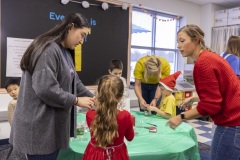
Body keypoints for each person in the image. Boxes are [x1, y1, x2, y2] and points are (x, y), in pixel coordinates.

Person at [9, 13, 95, 160]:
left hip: (50, 129)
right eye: (81, 35)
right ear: (71, 27)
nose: (82, 41)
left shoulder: (65, 52)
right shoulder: (49, 49)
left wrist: (95, 98)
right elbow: (45, 88)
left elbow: (75, 81)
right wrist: (76, 100)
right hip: (38, 130)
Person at [167, 24, 240, 160]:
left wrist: (180, 117)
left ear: (196, 40)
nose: (178, 45)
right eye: (177, 42)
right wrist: (195, 99)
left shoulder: (203, 63)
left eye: (182, 41)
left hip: (232, 124)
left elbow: (211, 106)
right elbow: (220, 93)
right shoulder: (210, 57)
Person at [82, 75, 134, 160]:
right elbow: (130, 137)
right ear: (121, 98)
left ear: (98, 94)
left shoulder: (90, 115)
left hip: (95, 155)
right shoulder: (125, 116)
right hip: (117, 155)